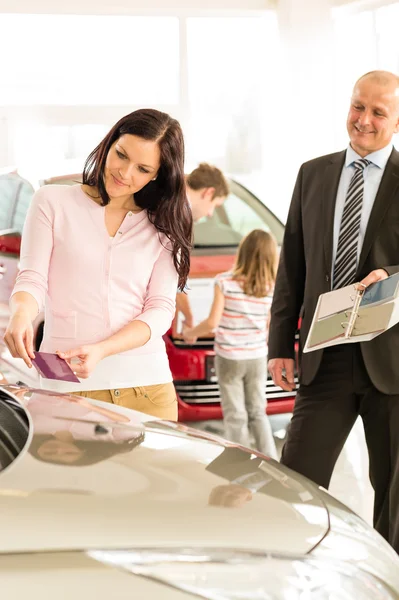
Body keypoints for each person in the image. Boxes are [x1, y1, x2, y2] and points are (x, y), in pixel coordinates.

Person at [268, 70, 399, 552]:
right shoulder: (313, 173)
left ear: (398, 121)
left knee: (393, 497)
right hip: (325, 353)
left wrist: (393, 274)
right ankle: (290, 573)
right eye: (357, 106)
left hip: (392, 363)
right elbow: (292, 265)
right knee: (294, 481)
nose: (363, 120)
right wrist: (280, 345)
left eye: (379, 112)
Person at [4, 108, 193, 421]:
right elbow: (32, 278)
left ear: (157, 174)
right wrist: (22, 314)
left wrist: (103, 349)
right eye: (121, 154)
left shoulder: (164, 224)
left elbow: (160, 308)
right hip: (66, 382)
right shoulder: (52, 201)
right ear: (110, 143)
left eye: (143, 169)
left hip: (147, 388)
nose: (125, 172)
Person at [183, 229, 278, 458]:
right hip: (256, 356)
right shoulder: (272, 287)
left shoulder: (224, 282)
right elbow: (268, 326)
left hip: (229, 357)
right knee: (257, 410)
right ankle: (272, 461)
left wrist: (191, 333)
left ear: (242, 252)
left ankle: (239, 461)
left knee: (235, 413)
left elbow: (212, 322)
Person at [176, 163, 229, 328]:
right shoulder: (177, 213)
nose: (210, 214)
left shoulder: (170, 195)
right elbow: (172, 274)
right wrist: (189, 317)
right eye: (214, 205)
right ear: (209, 192)